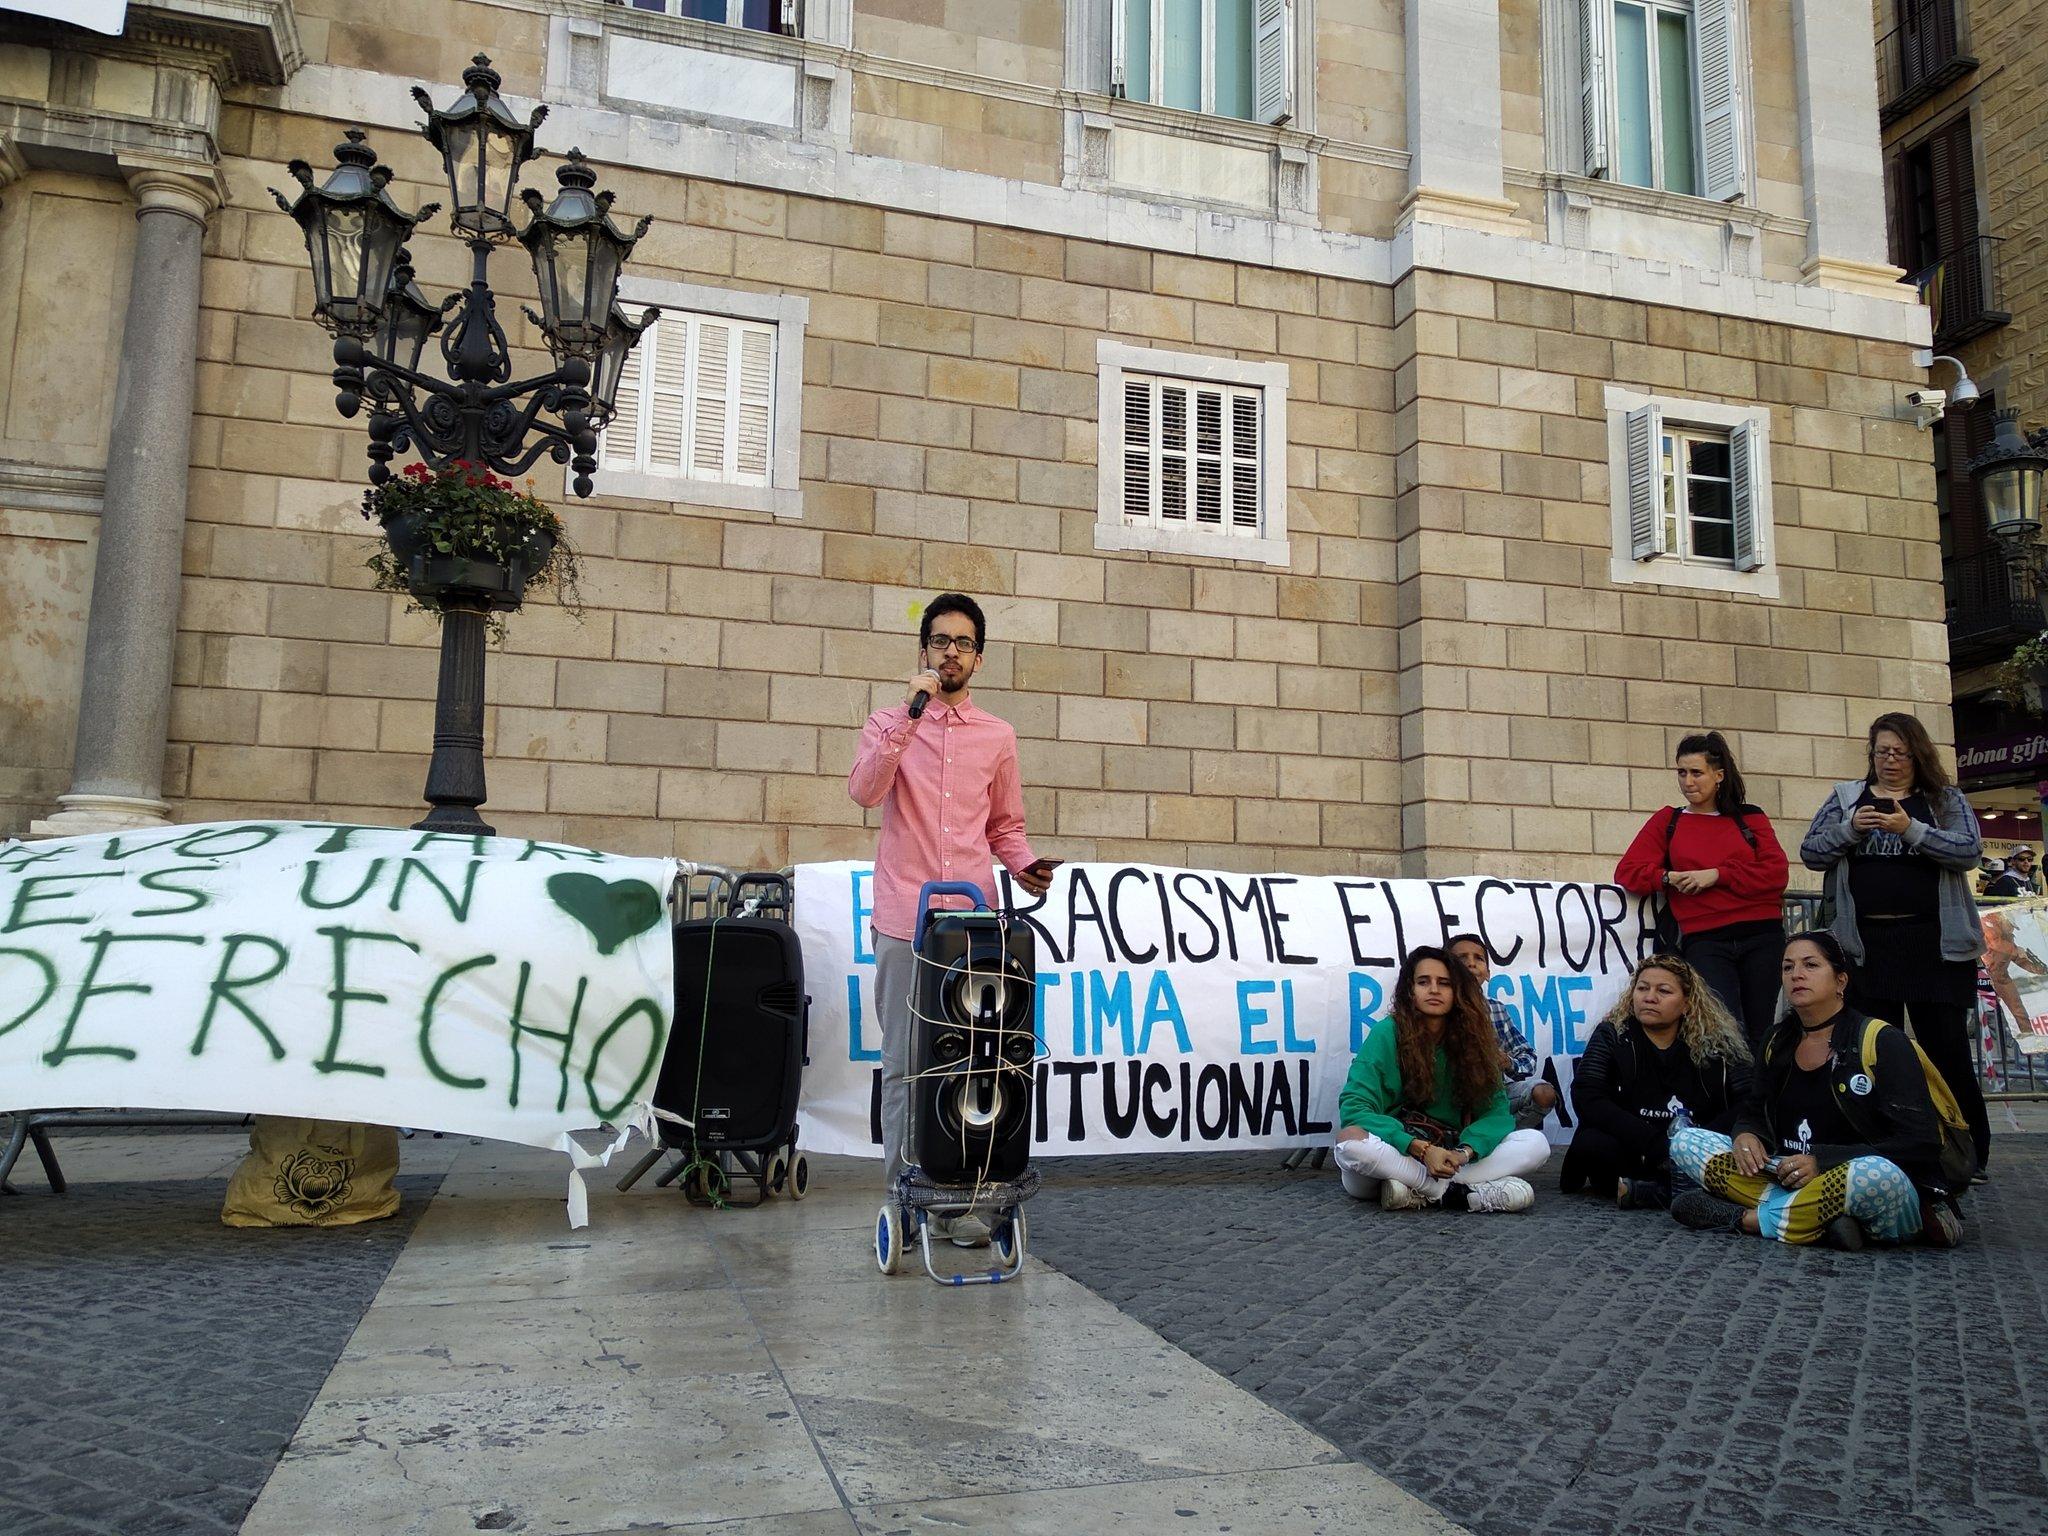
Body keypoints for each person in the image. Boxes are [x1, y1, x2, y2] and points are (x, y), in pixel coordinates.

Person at [847, 593, 1055, 1248]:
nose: (951, 653)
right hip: (906, 919)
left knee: (969, 1065)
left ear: (979, 657)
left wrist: (1025, 867)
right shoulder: (888, 722)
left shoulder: (998, 737)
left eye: (963, 643)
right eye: (940, 641)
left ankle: (961, 1203)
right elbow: (865, 790)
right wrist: (910, 717)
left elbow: (1004, 827)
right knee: (906, 1064)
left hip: (970, 926)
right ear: (924, 651)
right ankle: (901, 1201)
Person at [1668, 931, 1962, 1249]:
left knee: (1873, 1174)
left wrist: (1822, 1161)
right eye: (1787, 967)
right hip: (1790, 1176)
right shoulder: (1778, 1039)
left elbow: (1920, 1144)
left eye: (1811, 965)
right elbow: (1754, 1109)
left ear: (1841, 980)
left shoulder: (1882, 1041)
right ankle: (1822, 1221)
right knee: (1686, 1141)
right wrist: (1746, 1134)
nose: (1797, 975)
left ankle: (1749, 1219)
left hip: (1874, 1182)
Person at [1799, 711, 1988, 1179]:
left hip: (1935, 946)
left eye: (1900, 752)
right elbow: (1811, 851)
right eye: (1882, 751)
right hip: (1865, 947)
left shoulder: (1944, 799)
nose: (1890, 760)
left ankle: (1970, 1154)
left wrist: (1910, 829)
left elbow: (1969, 851)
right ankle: (1880, 1146)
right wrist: (1851, 830)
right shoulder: (1847, 798)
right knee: (1872, 1052)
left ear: (1917, 754)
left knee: (1947, 1052)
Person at [1333, 948, 1551, 1213]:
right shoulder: (1386, 1033)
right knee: (1351, 1143)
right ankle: (1459, 1193)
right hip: (1397, 1151)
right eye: (1423, 982)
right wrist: (1420, 1149)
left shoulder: (1476, 1041)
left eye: (1444, 983)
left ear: (1457, 992)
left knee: (1536, 1144)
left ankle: (1421, 1191)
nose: (1434, 989)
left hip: (1452, 1154)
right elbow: (1354, 1108)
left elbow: (1496, 1114)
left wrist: (1464, 1153)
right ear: (1410, 990)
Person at [1614, 731, 1789, 1052]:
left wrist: (1717, 875)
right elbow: (1627, 872)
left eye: (1697, 772)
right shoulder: (1670, 820)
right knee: (1723, 1032)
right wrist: (1667, 878)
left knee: (1762, 1031)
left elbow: (1776, 873)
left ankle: (1762, 1099)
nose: (1688, 781)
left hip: (1762, 936)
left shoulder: (1750, 817)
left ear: (1718, 775)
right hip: (1705, 940)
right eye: (1681, 772)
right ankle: (1736, 1099)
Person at [1558, 955, 1751, 1209]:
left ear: (1687, 1004)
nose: (1649, 997)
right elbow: (1587, 1096)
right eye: (1642, 988)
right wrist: (1654, 1143)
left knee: (1745, 1150)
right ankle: (1679, 1189)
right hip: (1635, 1145)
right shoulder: (1612, 1034)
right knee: (1592, 1144)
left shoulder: (1718, 1043)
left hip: (1696, 1147)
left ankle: (1655, 1193)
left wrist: (1691, 1142)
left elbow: (1749, 1100)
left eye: (1663, 991)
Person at [1445, 932, 1558, 1129]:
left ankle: (1497, 1135)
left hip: (1493, 1095)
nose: (1471, 963)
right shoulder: (1438, 1008)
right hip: (1449, 1100)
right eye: (1461, 958)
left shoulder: (1496, 1010)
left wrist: (1506, 1061)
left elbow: (1528, 1057)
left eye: (1478, 958)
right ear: (1445, 970)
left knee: (1544, 1094)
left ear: (1488, 973)